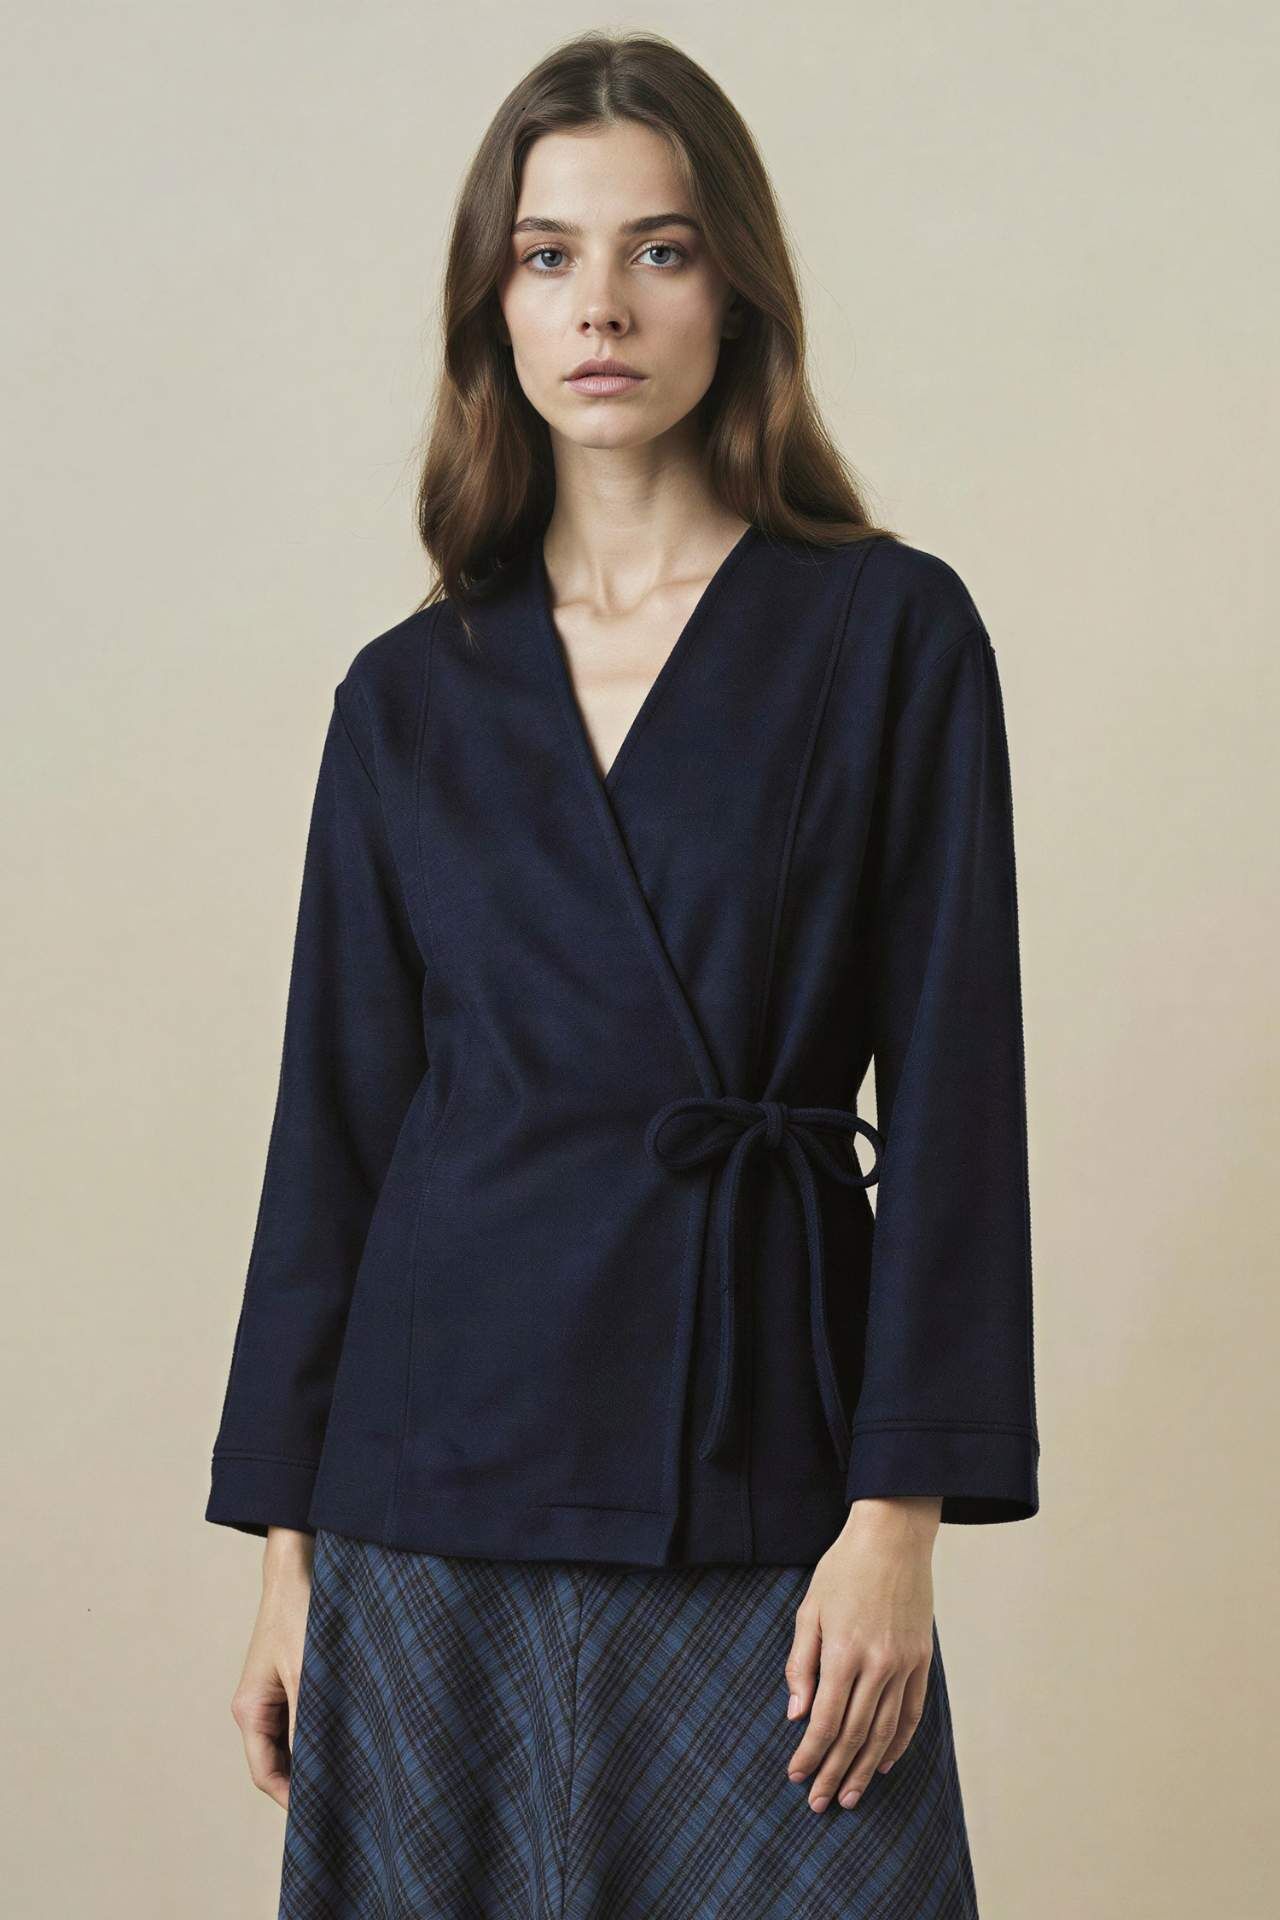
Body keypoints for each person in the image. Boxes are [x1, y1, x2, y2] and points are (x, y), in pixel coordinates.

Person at [206, 30, 1039, 1920]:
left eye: (659, 250)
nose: (601, 306)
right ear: (492, 304)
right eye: (547, 254)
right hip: (429, 1487)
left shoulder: (890, 631)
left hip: (760, 1459)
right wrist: (286, 1557)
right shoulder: (406, 697)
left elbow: (957, 1096)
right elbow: (335, 1138)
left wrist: (896, 1519)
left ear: (733, 288)